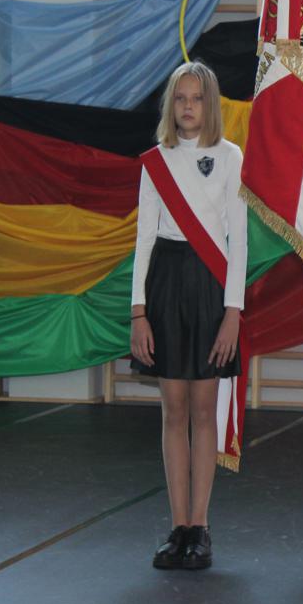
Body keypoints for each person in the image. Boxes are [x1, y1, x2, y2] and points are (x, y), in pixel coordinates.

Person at [130, 61, 247, 571]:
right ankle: (177, 527)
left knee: (203, 410)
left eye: (197, 98)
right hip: (166, 285)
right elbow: (144, 240)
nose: (188, 107)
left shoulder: (231, 157)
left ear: (210, 104)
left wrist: (233, 312)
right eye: (180, 99)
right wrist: (138, 311)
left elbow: (238, 241)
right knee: (173, 411)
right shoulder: (155, 162)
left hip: (211, 288)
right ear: (170, 106)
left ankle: (201, 526)